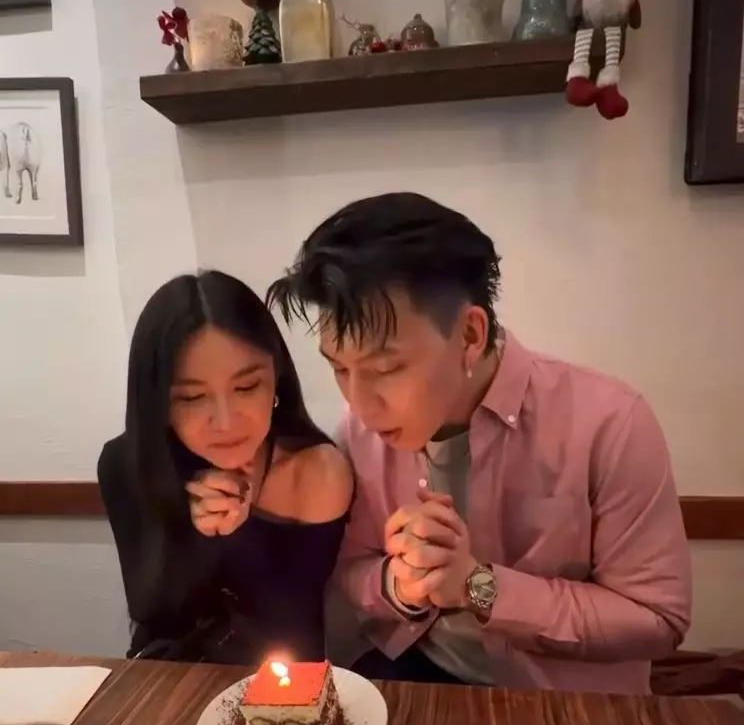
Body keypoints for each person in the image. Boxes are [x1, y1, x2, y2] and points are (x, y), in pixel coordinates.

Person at [266, 192, 692, 693]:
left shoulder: (610, 423)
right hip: (422, 674)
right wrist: (399, 585)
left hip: (565, 698)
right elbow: (351, 569)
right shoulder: (358, 431)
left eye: (386, 368)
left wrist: (478, 586)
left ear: (470, 335)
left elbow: (657, 618)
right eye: (339, 368)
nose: (359, 405)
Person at [98, 270, 352, 664]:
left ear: (277, 379)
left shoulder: (316, 472)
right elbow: (151, 612)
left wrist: (239, 536)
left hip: (279, 688)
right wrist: (200, 540)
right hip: (165, 677)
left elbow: (296, 634)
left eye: (247, 387)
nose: (226, 421)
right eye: (192, 397)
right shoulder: (127, 463)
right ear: (158, 403)